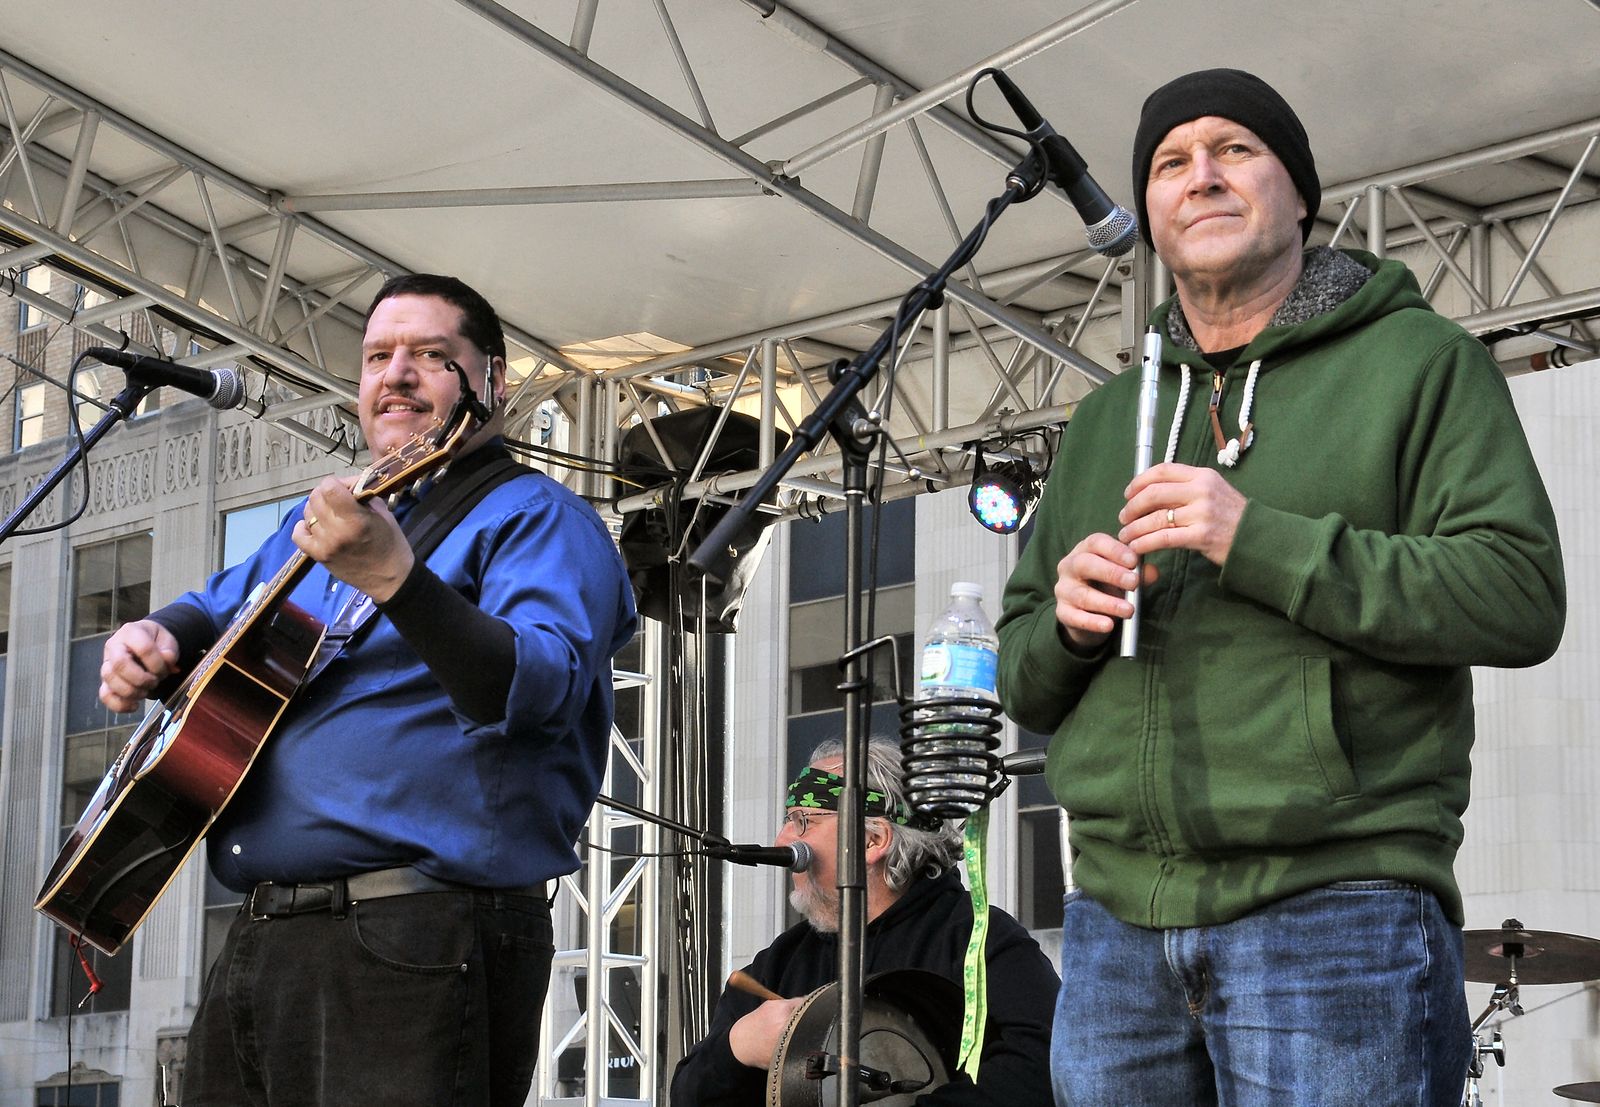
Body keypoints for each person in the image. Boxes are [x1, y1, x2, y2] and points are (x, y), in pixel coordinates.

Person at [995, 68, 1565, 1107]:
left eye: (1234, 150)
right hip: (1115, 923)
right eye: (1171, 162)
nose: (1201, 176)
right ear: (1150, 213)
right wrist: (1068, 625)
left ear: (1299, 191)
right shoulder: (1105, 418)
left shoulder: (1421, 363)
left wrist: (1253, 539)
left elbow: (1517, 593)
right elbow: (1022, 681)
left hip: (1335, 908)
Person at [98, 273, 638, 1107]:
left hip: (415, 933)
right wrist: (158, 634)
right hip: (266, 931)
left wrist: (398, 580)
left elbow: (538, 690)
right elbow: (216, 606)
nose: (397, 374)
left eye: (430, 354)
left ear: (492, 380)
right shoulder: (340, 516)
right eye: (378, 356)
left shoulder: (540, 516)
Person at [670, 737, 1058, 1107]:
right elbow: (687, 1095)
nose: (781, 839)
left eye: (802, 821)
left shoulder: (979, 939)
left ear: (873, 840)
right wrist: (738, 1046)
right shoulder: (781, 962)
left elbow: (1044, 1066)